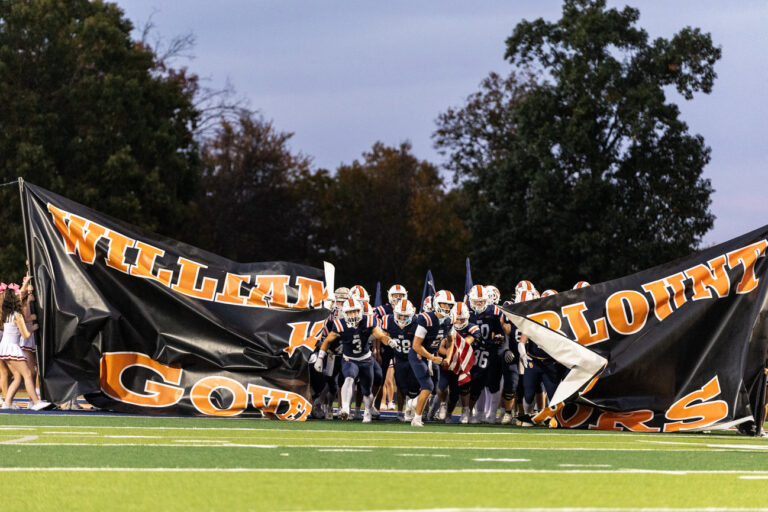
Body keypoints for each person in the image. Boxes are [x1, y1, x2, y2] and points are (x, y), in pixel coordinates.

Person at [314, 298, 386, 422]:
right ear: (344, 313)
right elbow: (327, 341)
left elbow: (378, 334)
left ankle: (368, 411)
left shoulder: (367, 320)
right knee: (348, 378)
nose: (352, 315)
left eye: (355, 311)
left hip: (365, 359)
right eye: (349, 312)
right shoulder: (340, 324)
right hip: (349, 359)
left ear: (360, 311)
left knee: (367, 391)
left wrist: (388, 340)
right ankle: (345, 408)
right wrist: (320, 358)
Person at [408, 290, 456, 427]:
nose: (446, 307)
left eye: (449, 305)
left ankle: (413, 402)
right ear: (436, 303)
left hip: (431, 356)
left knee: (433, 389)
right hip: (419, 355)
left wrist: (448, 356)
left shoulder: (449, 320)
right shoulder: (426, 319)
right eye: (443, 304)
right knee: (427, 386)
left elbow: (451, 341)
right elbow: (416, 345)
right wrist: (432, 358)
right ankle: (416, 419)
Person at [466, 284, 511, 423]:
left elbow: (501, 332)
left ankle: (491, 414)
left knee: (493, 383)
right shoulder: (466, 311)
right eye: (476, 301)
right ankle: (476, 413)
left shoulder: (495, 311)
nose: (479, 304)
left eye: (482, 301)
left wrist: (497, 338)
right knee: (474, 384)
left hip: (490, 351)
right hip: (473, 352)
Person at [0, 288, 50, 410]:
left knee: (17, 376)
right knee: (27, 374)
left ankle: (7, 403)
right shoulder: (17, 316)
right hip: (12, 348)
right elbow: (26, 334)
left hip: (4, 348)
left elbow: (25, 320)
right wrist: (34, 328)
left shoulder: (7, 315)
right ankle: (36, 402)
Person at [376, 299, 420, 421]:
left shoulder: (417, 322)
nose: (402, 318)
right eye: (400, 314)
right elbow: (382, 335)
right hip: (399, 358)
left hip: (413, 358)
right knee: (400, 386)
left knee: (414, 387)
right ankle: (401, 413)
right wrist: (388, 339)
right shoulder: (388, 320)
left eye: (405, 316)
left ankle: (414, 411)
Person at [436, 302, 478, 423]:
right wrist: (451, 354)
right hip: (447, 363)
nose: (459, 322)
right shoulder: (447, 325)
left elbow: (469, 340)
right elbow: (440, 347)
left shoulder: (471, 327)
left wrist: (457, 350)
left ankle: (461, 411)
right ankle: (443, 405)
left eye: (462, 319)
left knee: (459, 391)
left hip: (462, 364)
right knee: (442, 387)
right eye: (457, 319)